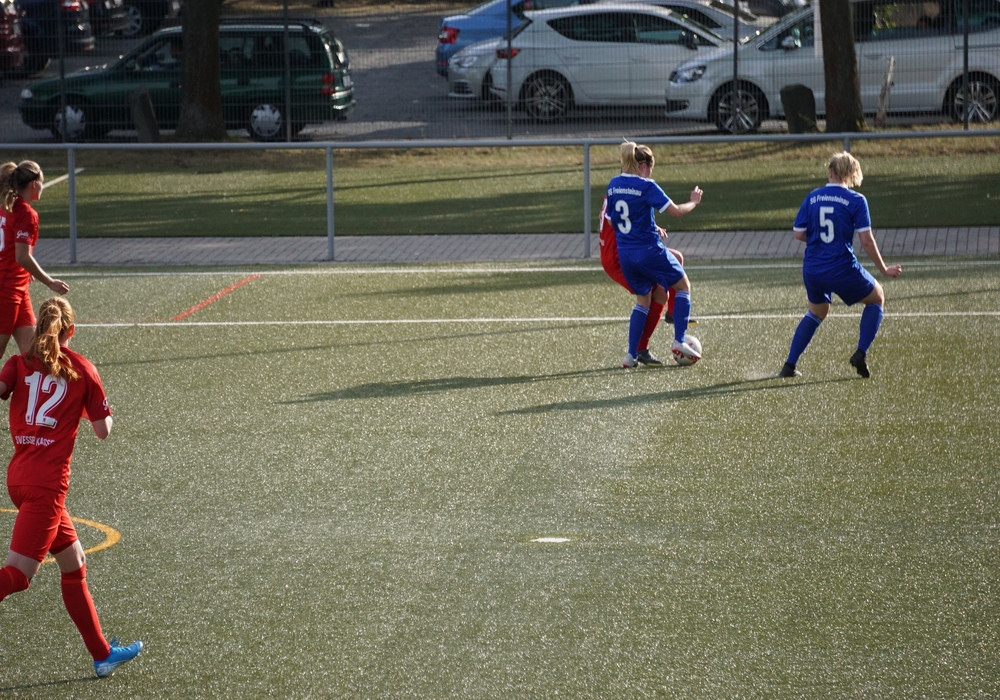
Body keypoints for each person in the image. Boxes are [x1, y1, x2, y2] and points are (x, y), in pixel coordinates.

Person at [0, 297, 143, 678]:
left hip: (20, 477)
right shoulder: (82, 369)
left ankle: (102, 654)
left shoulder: (18, 363)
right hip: (46, 486)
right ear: (71, 329)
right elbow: (103, 431)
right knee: (18, 576)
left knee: (74, 562)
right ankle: (102, 654)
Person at [779, 151, 902, 379]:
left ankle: (789, 365)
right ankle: (860, 353)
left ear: (830, 171)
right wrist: (884, 269)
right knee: (877, 297)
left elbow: (798, 233)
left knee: (817, 311)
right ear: (851, 174)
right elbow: (866, 241)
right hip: (841, 267)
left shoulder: (813, 196)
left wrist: (818, 240)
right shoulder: (856, 200)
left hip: (813, 268)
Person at [605, 141, 704, 367]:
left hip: (626, 255)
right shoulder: (647, 186)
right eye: (651, 167)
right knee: (683, 286)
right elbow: (676, 211)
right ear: (644, 166)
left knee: (643, 300)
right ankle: (679, 340)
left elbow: (611, 220)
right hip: (649, 251)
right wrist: (693, 202)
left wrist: (646, 224)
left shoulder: (613, 184)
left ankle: (631, 356)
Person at [598, 195, 694, 368]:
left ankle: (672, 315)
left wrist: (651, 227)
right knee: (653, 295)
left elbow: (616, 218)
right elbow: (618, 222)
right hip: (620, 255)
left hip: (625, 250)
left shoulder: (617, 189)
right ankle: (639, 349)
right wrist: (694, 202)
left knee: (676, 259)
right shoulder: (632, 190)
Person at [0, 161, 71, 358]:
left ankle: (30, 380)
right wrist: (50, 282)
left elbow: (13, 251)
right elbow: (22, 256)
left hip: (17, 287)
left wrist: (25, 270)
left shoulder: (7, 206)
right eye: (42, 182)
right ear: (34, 184)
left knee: (33, 354)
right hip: (6, 289)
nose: (42, 187)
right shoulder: (26, 213)